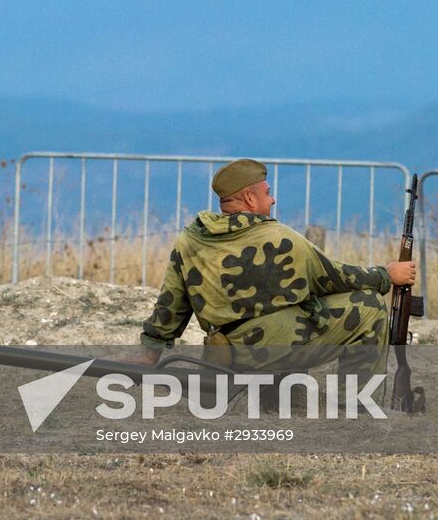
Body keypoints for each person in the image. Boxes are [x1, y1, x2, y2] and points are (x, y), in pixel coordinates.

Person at [139, 159, 418, 399]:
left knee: (296, 310)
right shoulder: (277, 237)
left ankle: (280, 398)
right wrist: (387, 274)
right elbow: (337, 277)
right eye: (268, 192)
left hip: (223, 354)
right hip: (269, 351)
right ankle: (356, 405)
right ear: (250, 198)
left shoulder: (189, 240)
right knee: (368, 307)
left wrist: (149, 357)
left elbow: (170, 305)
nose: (272, 199)